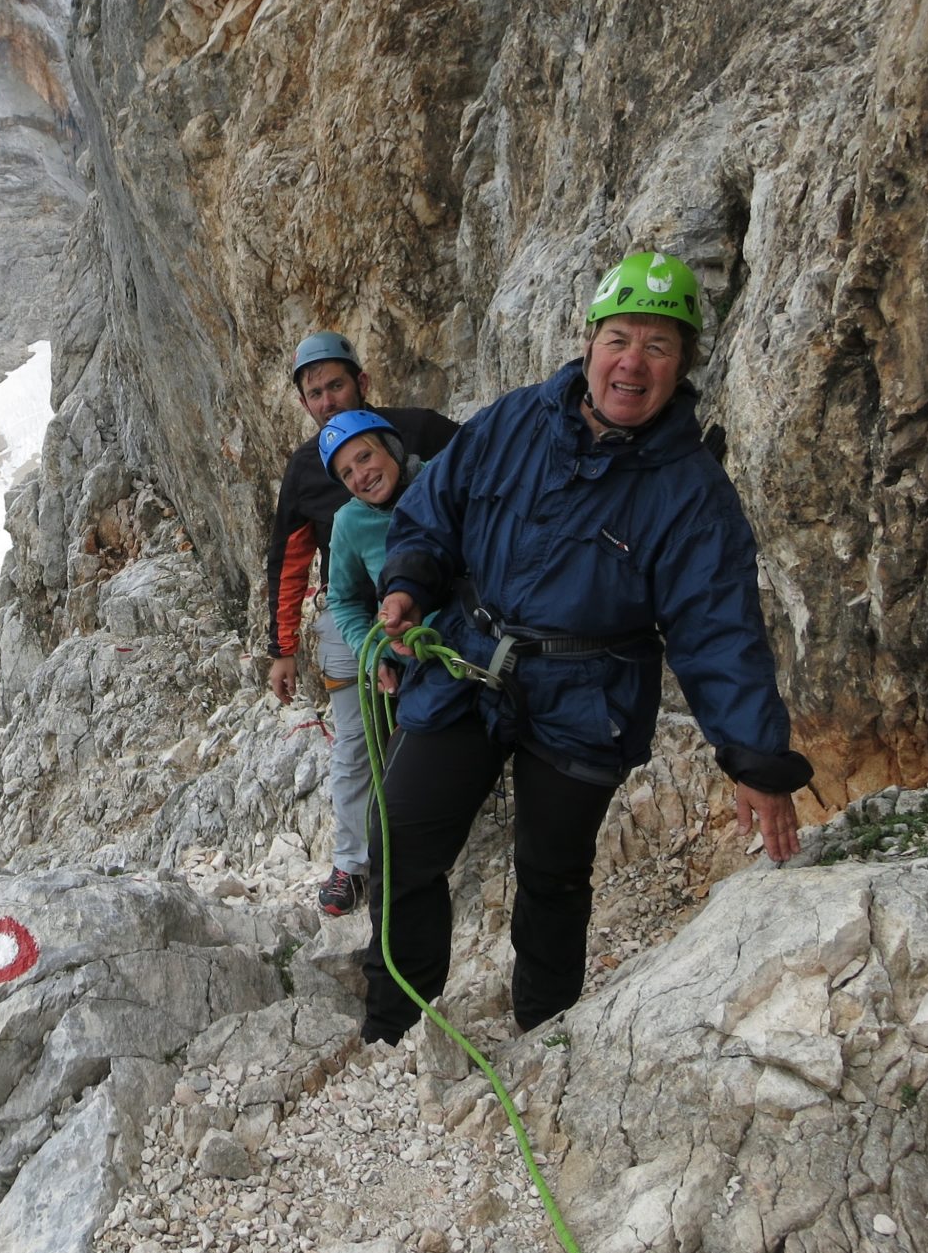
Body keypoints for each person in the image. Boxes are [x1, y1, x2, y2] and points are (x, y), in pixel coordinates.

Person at [362, 250, 812, 1043]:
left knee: (553, 873)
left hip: (586, 693)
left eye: (658, 346)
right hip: (469, 658)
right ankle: (398, 1021)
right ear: (590, 342)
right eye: (619, 339)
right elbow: (434, 509)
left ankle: (543, 1031)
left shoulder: (692, 493)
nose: (632, 362)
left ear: (682, 367)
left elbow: (719, 629)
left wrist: (757, 761)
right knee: (399, 838)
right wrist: (408, 582)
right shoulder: (512, 422)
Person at [264, 333, 459, 916]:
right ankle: (352, 863)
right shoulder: (305, 470)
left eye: (335, 385)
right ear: (304, 404)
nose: (326, 400)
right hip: (355, 616)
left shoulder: (422, 430)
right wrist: (283, 647)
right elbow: (290, 557)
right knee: (354, 739)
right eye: (314, 393)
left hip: (442, 607)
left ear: (362, 384)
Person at [320, 410, 420, 703]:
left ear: (392, 448)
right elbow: (342, 599)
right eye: (347, 473)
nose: (360, 476)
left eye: (364, 457)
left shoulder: (439, 481)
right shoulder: (350, 522)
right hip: (411, 664)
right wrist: (371, 655)